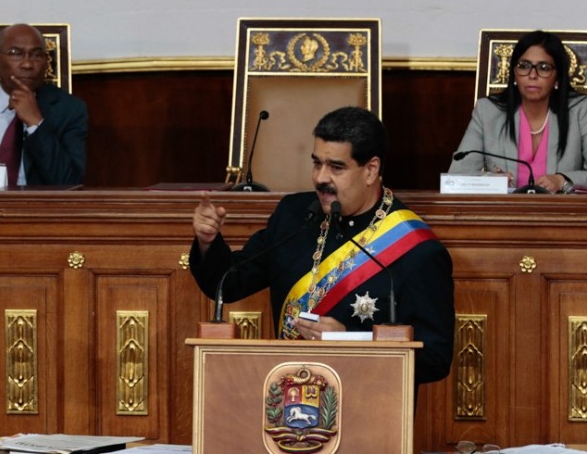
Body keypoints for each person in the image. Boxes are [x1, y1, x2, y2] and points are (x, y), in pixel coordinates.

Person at [190, 106, 455, 386]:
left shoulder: (416, 249)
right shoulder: (294, 216)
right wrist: (208, 242)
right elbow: (228, 284)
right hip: (286, 402)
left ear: (370, 170)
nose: (320, 178)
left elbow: (435, 357)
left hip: (368, 404)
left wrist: (350, 342)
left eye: (336, 167)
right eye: (317, 163)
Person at [0, 23, 87, 186]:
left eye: (37, 55)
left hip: (30, 201)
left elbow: (68, 181)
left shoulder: (69, 109)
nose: (27, 64)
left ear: (46, 62)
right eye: (16, 54)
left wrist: (36, 124)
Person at [449, 30, 587, 193]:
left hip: (561, 208)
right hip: (504, 208)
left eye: (544, 68)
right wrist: (490, 180)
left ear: (557, 77)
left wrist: (562, 180)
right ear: (514, 74)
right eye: (524, 66)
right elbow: (457, 175)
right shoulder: (487, 111)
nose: (532, 75)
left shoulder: (580, 110)